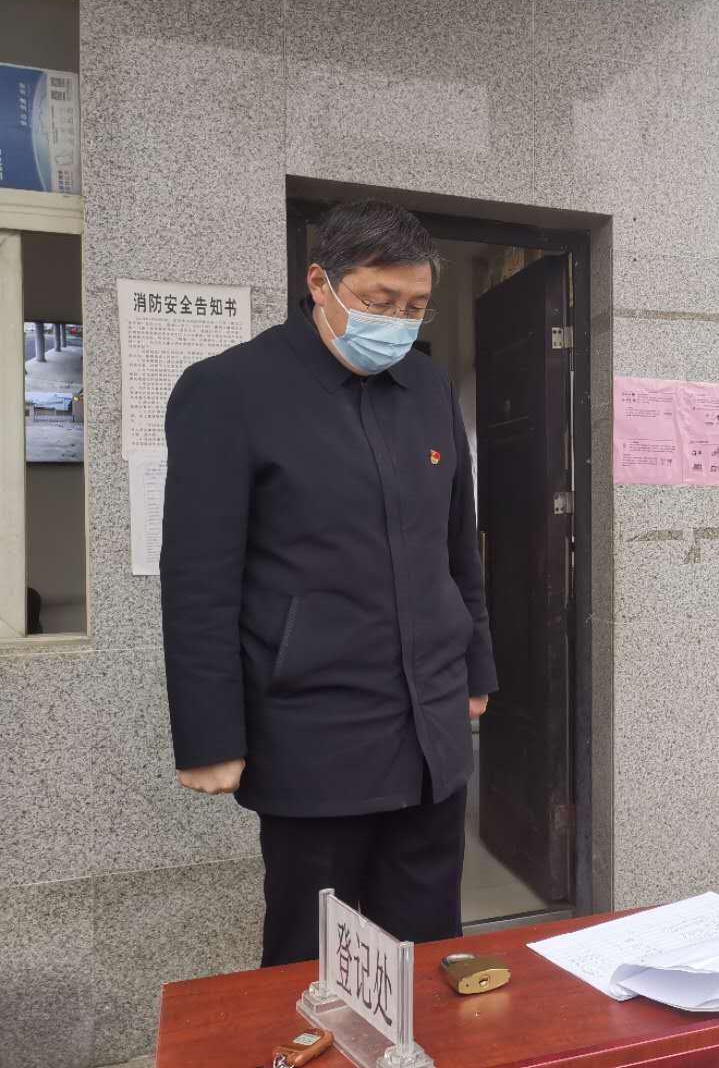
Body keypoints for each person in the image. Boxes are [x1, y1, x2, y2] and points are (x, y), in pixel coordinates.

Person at [161, 199, 497, 966]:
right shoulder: (230, 391)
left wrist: (475, 670)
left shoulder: (427, 388)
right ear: (320, 283)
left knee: (427, 951)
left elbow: (456, 549)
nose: (399, 321)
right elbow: (198, 579)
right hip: (313, 732)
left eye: (414, 305)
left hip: (432, 729)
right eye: (381, 301)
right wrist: (210, 736)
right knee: (317, 961)